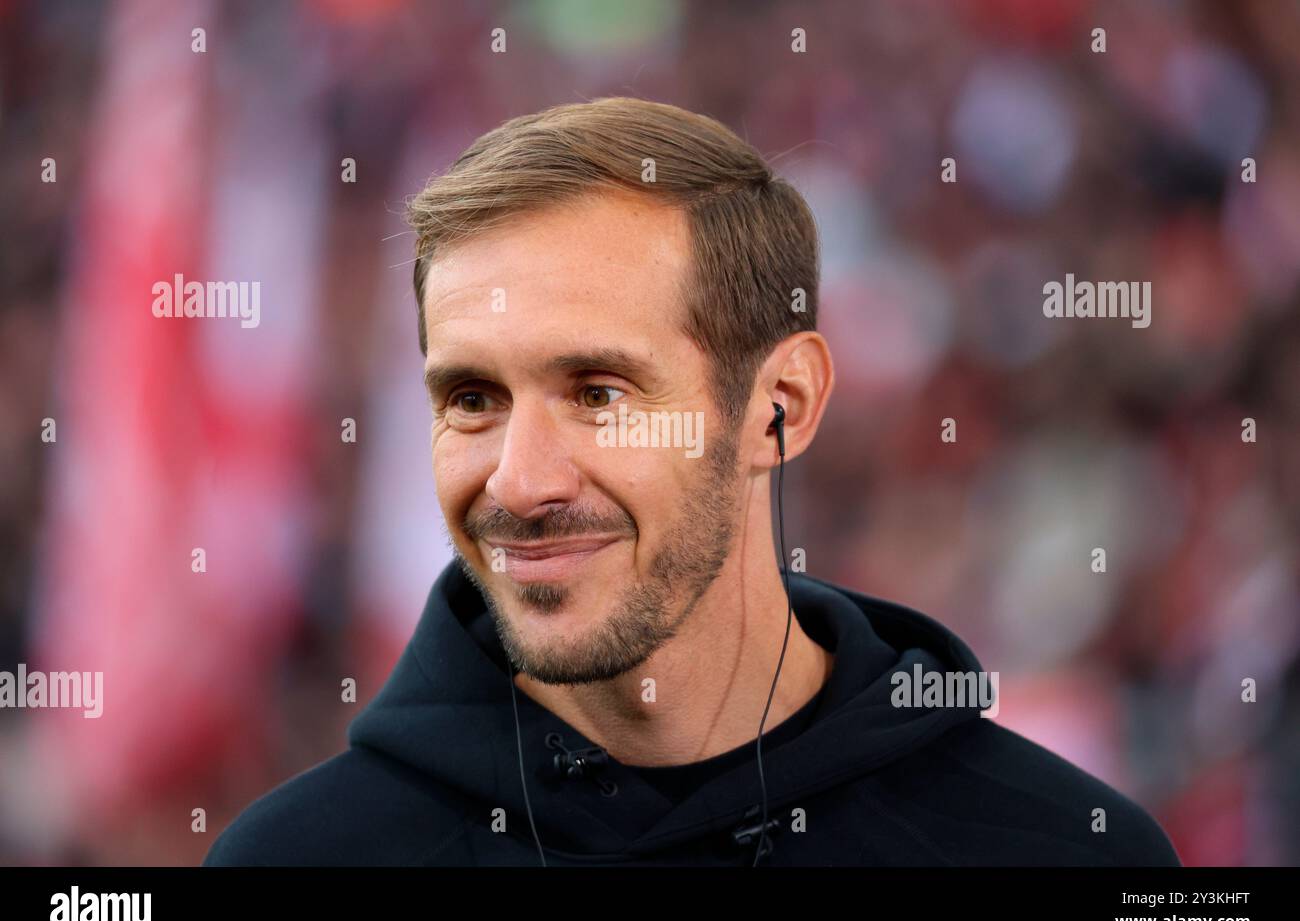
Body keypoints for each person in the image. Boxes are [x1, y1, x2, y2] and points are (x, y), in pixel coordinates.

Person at [205, 97, 1180, 866]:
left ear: (780, 406)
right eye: (471, 396)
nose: (521, 479)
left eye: (597, 391)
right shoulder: (295, 858)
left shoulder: (1060, 850)